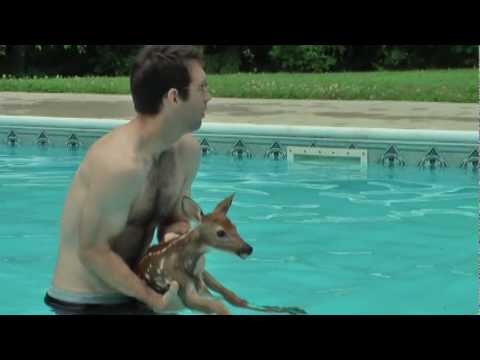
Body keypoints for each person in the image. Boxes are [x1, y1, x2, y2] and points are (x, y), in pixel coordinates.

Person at [44, 45, 211, 314]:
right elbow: (93, 251)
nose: (209, 97)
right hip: (85, 302)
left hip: (138, 293)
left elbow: (175, 216)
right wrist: (154, 300)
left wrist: (176, 241)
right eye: (202, 88)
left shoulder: (187, 152)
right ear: (174, 97)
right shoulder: (118, 165)